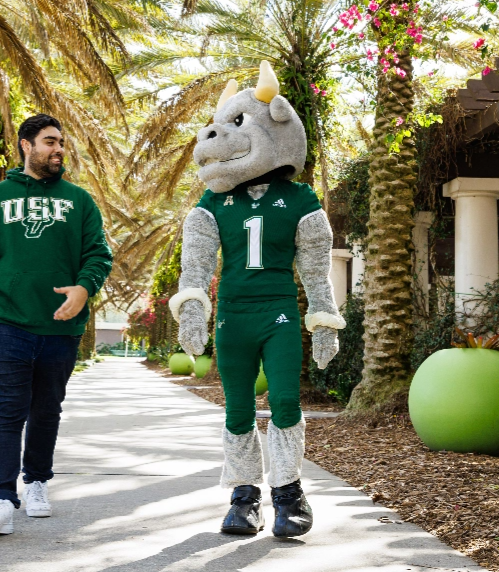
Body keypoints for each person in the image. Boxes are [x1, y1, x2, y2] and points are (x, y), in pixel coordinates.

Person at [169, 62, 344, 538]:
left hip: (280, 312)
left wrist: (325, 318)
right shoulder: (211, 205)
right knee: (238, 407)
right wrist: (191, 310)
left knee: (286, 401)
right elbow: (197, 266)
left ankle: (288, 492)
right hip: (233, 314)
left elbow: (314, 267)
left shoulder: (302, 199)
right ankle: (245, 496)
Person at [0, 114, 112, 535]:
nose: (59, 150)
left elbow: (98, 255)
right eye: (50, 141)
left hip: (59, 327)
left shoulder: (80, 201)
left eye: (62, 143)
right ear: (25, 145)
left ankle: (36, 482)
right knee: (5, 411)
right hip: (3, 321)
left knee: (46, 411)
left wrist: (84, 289)